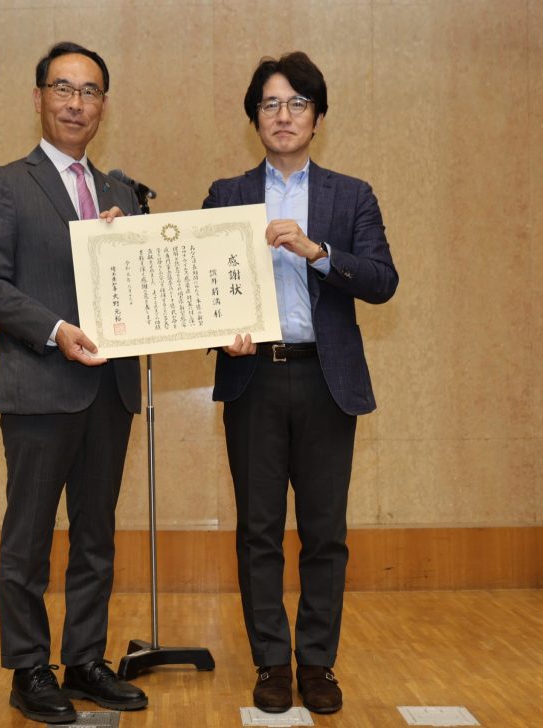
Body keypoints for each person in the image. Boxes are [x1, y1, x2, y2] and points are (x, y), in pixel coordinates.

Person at [203, 52, 398, 715]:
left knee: (324, 532)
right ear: (254, 118)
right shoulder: (225, 196)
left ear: (317, 117)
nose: (283, 115)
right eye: (270, 104)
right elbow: (201, 290)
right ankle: (271, 662)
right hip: (253, 378)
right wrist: (220, 334)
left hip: (326, 380)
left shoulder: (352, 195)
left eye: (297, 104)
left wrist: (318, 253)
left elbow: (382, 281)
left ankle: (317, 663)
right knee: (258, 531)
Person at [0, 41, 148, 724]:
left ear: (104, 104)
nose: (76, 103)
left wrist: (133, 248)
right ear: (39, 97)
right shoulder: (4, 184)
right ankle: (28, 668)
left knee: (96, 535)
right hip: (39, 384)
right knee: (30, 537)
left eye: (90, 91)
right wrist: (55, 329)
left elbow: (149, 291)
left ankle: (85, 660)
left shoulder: (123, 195)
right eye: (63, 88)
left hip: (110, 390)